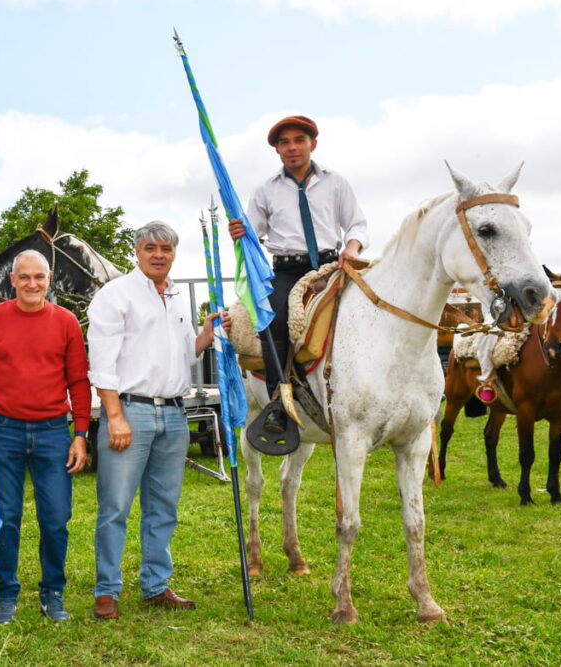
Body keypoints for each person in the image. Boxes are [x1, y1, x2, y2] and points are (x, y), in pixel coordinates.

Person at [86, 220, 226, 620]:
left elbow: (186, 356)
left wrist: (207, 333)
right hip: (130, 410)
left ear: (174, 254)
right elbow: (102, 363)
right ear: (137, 251)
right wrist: (114, 416)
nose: (158, 254)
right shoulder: (116, 295)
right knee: (115, 506)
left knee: (163, 507)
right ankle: (107, 589)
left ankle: (155, 585)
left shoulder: (178, 297)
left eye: (166, 248)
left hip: (176, 413)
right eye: (150, 248)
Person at [0, 249, 91, 625]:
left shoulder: (66, 322)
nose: (32, 284)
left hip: (52, 433)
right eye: (24, 277)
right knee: (4, 517)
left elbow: (78, 381)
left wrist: (80, 434)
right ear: (12, 281)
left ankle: (52, 591)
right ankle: (6, 593)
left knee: (56, 518)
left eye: (39, 277)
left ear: (49, 279)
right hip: (3, 431)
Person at [228, 115, 369, 432]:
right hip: (288, 270)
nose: (292, 147)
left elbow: (356, 224)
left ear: (312, 144)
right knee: (272, 319)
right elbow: (252, 232)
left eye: (299, 140)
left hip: (333, 265)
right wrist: (240, 230)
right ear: (277, 150)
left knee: (373, 308)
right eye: (284, 142)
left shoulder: (336, 183)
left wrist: (354, 247)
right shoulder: (265, 191)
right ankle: (279, 402)